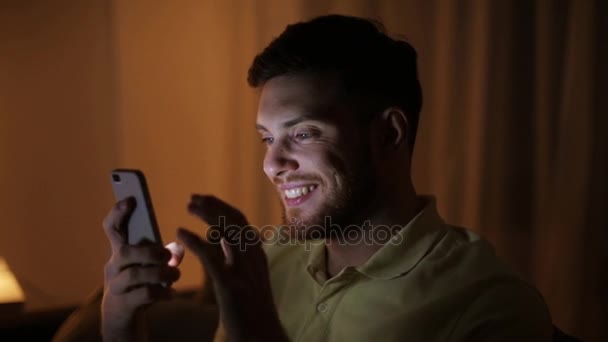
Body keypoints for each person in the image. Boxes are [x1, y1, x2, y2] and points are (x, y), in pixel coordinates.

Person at [101, 14, 553, 341]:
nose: (272, 163)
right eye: (266, 139)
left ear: (389, 134)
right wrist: (120, 321)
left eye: (303, 133)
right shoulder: (270, 261)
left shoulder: (490, 305)